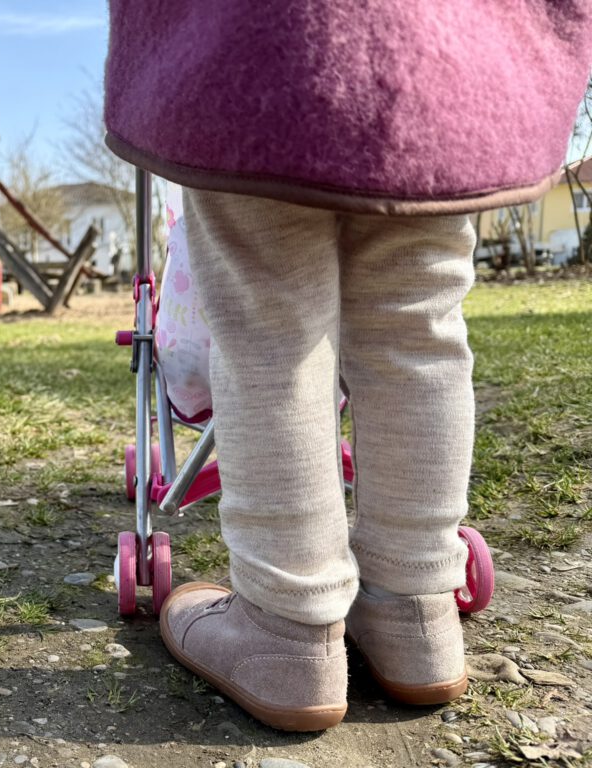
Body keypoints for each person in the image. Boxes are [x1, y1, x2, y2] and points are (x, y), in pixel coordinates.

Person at [103, 1, 592, 732]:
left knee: (271, 323)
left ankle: (286, 627)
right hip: (451, 53)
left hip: (262, 44)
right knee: (420, 322)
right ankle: (415, 611)